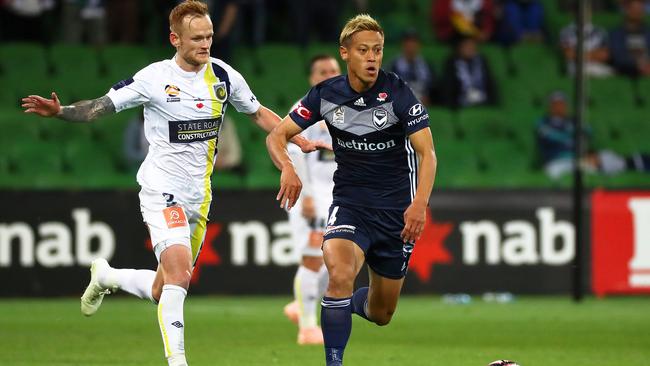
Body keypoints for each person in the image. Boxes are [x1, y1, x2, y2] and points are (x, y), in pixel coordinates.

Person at [20, 1, 321, 365]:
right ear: (174, 39)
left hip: (200, 195)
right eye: (197, 38)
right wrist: (62, 111)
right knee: (179, 274)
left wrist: (295, 136)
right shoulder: (154, 79)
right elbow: (99, 106)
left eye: (209, 36)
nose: (206, 44)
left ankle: (107, 276)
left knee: (165, 287)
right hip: (162, 189)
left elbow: (257, 113)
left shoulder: (223, 76)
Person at [266, 14, 437, 366]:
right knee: (339, 273)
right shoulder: (326, 95)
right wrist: (287, 167)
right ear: (345, 53)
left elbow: (427, 154)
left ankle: (356, 304)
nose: (373, 57)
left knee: (381, 312)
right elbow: (277, 134)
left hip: (395, 213)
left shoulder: (398, 93)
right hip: (350, 204)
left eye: (377, 50)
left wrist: (419, 205)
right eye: (364, 50)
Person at [282, 54, 341, 345]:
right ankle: (307, 327)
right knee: (313, 258)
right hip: (311, 195)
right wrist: (304, 196)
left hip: (339, 196)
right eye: (322, 71)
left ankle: (300, 303)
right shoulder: (305, 109)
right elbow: (293, 153)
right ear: (312, 78)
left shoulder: (351, 109)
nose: (329, 74)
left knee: (337, 262)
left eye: (333, 69)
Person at [536, 91, 650, 179]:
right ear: (550, 105)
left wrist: (584, 151)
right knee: (590, 165)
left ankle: (635, 162)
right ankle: (631, 164)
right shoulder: (544, 122)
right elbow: (555, 138)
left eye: (562, 103)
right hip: (556, 163)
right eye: (556, 103)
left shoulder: (573, 121)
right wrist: (576, 142)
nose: (559, 106)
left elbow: (588, 133)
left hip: (579, 160)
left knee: (606, 155)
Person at [441, 35, 499, 109]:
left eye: (472, 46)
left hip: (483, 101)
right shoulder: (452, 63)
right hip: (461, 104)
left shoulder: (482, 61)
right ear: (459, 48)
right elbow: (448, 87)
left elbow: (490, 83)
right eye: (467, 46)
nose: (470, 49)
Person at [389, 28, 436, 106]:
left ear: (419, 45)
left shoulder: (427, 65)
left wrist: (429, 97)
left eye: (414, 42)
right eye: (408, 42)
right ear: (402, 44)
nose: (411, 45)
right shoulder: (393, 66)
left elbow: (433, 87)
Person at [609, 0, 650, 77]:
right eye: (635, 9)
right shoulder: (616, 34)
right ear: (626, 10)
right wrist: (638, 65)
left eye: (641, 9)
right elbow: (617, 57)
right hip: (626, 71)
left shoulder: (648, 33)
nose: (638, 12)